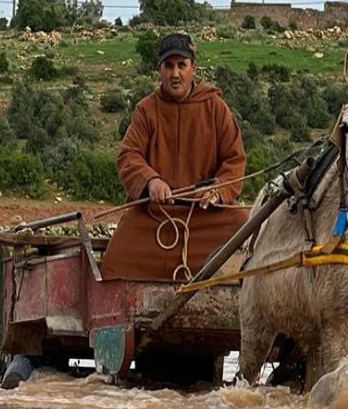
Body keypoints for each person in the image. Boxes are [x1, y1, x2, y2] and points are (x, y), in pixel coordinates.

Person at [102, 32, 249, 280]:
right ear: (159, 69)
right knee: (115, 261)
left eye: (182, 65)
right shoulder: (147, 110)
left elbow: (234, 159)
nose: (175, 74)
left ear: (194, 68)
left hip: (205, 217)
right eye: (168, 66)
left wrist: (218, 190)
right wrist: (151, 181)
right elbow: (129, 155)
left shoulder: (215, 107)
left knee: (242, 231)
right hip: (156, 216)